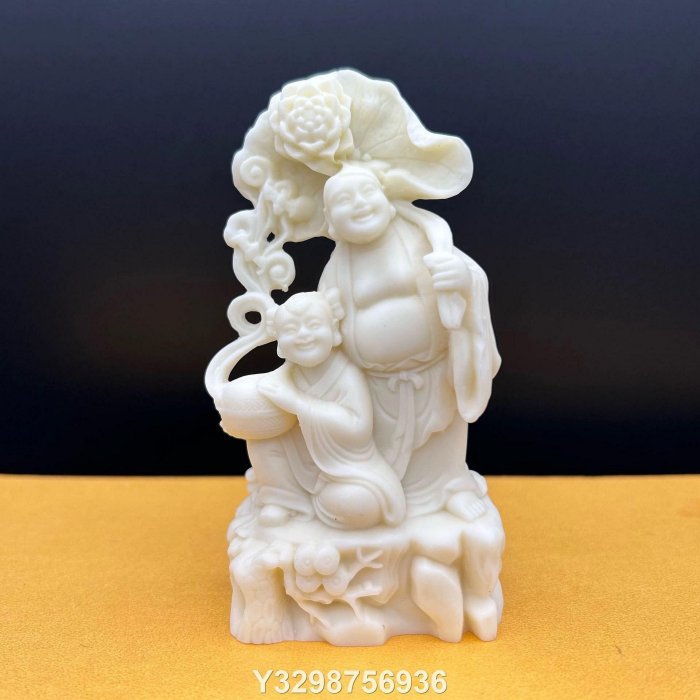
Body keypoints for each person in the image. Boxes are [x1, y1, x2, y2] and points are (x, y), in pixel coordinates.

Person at [318, 164, 501, 521]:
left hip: (433, 372)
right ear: (330, 220)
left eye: (367, 193)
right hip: (374, 385)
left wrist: (463, 279)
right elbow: (324, 323)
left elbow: (470, 275)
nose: (359, 204)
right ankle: (387, 498)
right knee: (381, 449)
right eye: (344, 200)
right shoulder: (336, 268)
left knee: (441, 440)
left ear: (388, 202)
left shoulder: (424, 240)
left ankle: (451, 489)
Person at [255, 290, 406, 529]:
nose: (303, 335)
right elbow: (266, 394)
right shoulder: (287, 374)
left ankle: (317, 501)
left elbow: (358, 429)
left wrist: (298, 404)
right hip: (303, 458)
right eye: (291, 330)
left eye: (314, 325)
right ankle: (282, 499)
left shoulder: (346, 375)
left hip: (350, 467)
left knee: (357, 504)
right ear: (280, 345)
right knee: (262, 438)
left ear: (334, 331)